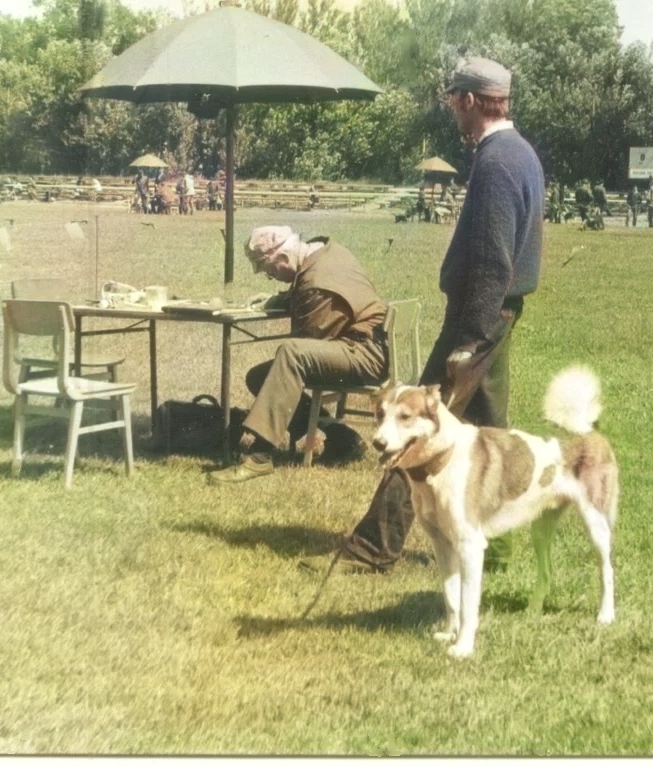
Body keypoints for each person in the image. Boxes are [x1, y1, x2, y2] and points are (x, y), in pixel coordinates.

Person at [328, 56, 545, 574]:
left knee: (414, 431)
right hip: (499, 316)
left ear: (470, 100)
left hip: (477, 319)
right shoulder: (521, 153)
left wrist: (468, 341)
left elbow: (492, 260)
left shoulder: (495, 161)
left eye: (453, 101)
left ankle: (372, 548)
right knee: (492, 438)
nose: (452, 111)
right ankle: (497, 547)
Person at [208, 226, 388, 484]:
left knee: (292, 355)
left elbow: (309, 339)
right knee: (260, 376)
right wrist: (284, 299)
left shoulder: (315, 283)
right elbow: (314, 293)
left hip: (364, 355)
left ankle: (260, 456)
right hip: (370, 347)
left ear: (282, 257)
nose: (270, 277)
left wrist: (294, 300)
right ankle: (342, 436)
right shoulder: (329, 252)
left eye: (269, 270)